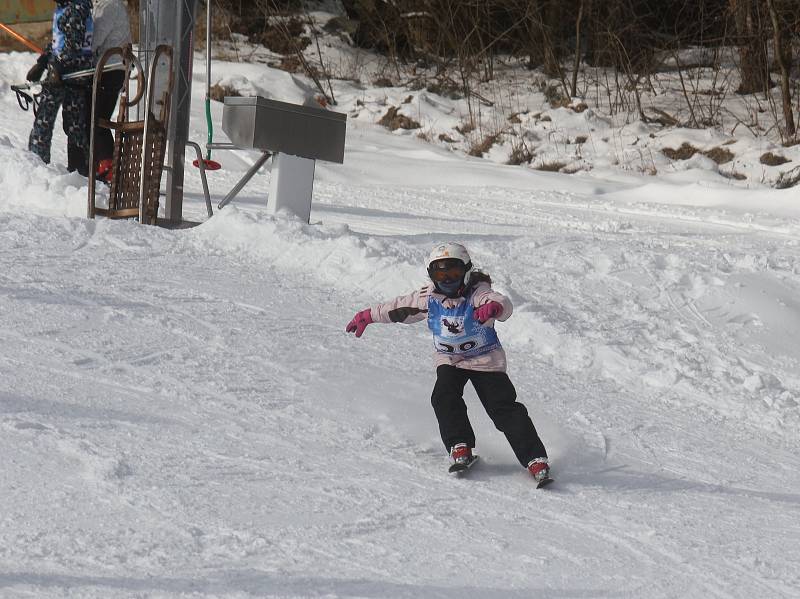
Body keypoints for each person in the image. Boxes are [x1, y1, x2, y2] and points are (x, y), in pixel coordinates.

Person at [345, 242, 551, 482]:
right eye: (440, 274)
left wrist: (494, 308)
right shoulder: (428, 297)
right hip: (450, 359)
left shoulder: (478, 293)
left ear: (466, 271)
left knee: (503, 408)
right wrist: (367, 316)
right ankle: (459, 445)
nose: (447, 280)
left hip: (485, 360)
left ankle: (534, 458)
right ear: (432, 276)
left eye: (453, 273)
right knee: (443, 396)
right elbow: (397, 307)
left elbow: (501, 303)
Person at [27, 0, 94, 176]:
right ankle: (80, 169)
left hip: (68, 73)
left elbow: (73, 45)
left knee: (45, 118)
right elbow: (60, 43)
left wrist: (56, 67)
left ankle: (36, 165)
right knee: (75, 123)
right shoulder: (66, 7)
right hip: (70, 73)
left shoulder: (75, 9)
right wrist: (42, 63)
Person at [89, 0, 132, 181]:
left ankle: (108, 165)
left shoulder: (110, 6)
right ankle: (104, 163)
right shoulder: (103, 5)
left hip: (110, 69)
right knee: (97, 118)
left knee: (98, 118)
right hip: (107, 68)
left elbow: (95, 39)